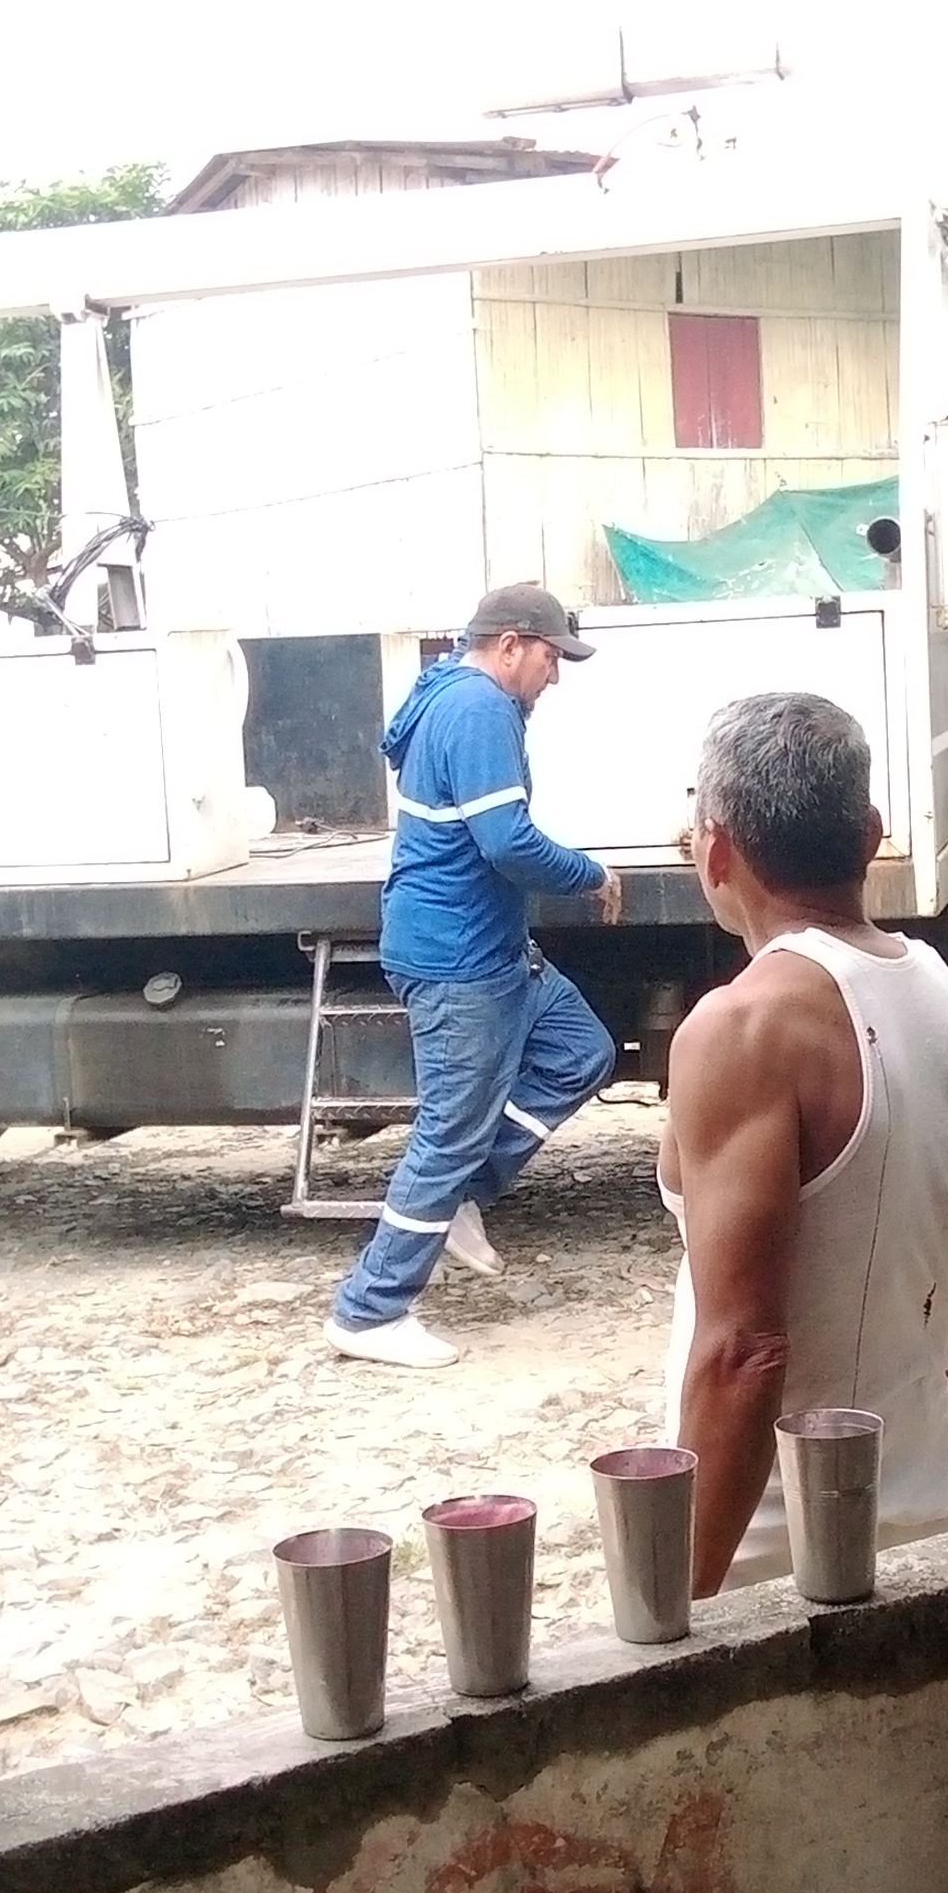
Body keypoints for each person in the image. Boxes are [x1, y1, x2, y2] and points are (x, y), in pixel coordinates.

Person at [662, 692, 948, 1592]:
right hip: (930, 1518)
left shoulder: (741, 1028)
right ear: (871, 836)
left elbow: (745, 1354)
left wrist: (683, 1603)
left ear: (714, 850)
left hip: (775, 1554)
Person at [328, 583, 623, 1369]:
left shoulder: (447, 692)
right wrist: (590, 874)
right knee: (447, 1134)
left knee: (580, 1050)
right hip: (460, 961)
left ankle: (464, 1193)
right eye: (552, 658)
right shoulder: (481, 708)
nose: (554, 677)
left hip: (493, 950)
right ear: (512, 645)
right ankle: (369, 1310)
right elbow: (507, 841)